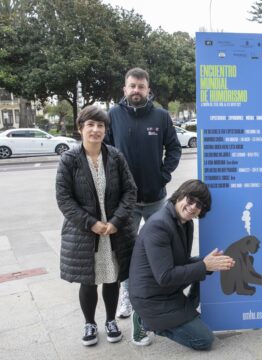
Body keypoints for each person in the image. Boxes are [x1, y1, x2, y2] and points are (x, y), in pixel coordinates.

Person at [105, 67, 182, 343]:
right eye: (131, 86)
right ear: (124, 88)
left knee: (162, 249)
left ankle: (164, 294)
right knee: (127, 254)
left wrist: (163, 175)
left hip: (156, 199)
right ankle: (128, 296)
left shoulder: (161, 116)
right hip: (126, 203)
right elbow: (107, 152)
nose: (136, 90)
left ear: (148, 89)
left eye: (141, 86)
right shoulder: (113, 115)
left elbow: (174, 149)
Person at [55, 105, 137, 346]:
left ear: (105, 130)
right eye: (90, 124)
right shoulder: (69, 159)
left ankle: (110, 320)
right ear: (80, 128)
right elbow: (64, 199)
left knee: (112, 277)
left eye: (100, 125)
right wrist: (91, 223)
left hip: (114, 231)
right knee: (88, 280)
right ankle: (89, 323)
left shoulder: (115, 156)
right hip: (84, 232)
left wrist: (115, 222)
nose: (95, 129)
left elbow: (130, 191)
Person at [128, 179, 235, 350]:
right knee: (205, 340)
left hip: (167, 292)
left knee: (208, 266)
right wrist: (204, 265)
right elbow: (165, 277)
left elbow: (182, 263)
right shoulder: (159, 225)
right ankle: (145, 320)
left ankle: (186, 313)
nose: (193, 207)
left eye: (199, 205)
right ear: (179, 196)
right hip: (151, 298)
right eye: (190, 200)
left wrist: (208, 263)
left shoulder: (185, 223)